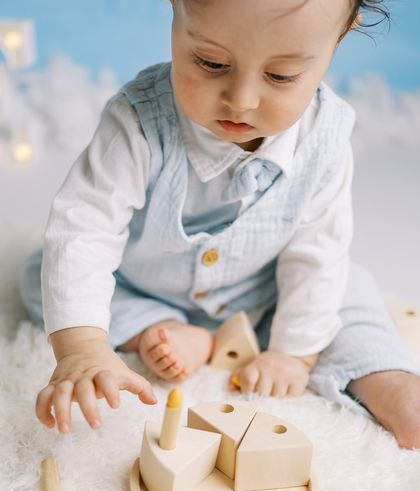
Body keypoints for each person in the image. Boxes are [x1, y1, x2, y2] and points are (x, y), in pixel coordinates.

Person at [20, 0, 420, 448]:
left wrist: (293, 355)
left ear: (341, 36)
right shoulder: (139, 121)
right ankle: (160, 325)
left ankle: (386, 378)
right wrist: (83, 349)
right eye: (211, 62)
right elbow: (84, 228)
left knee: (345, 288)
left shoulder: (324, 139)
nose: (241, 100)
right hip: (144, 285)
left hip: (265, 291)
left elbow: (318, 254)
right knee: (47, 275)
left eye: (281, 75)